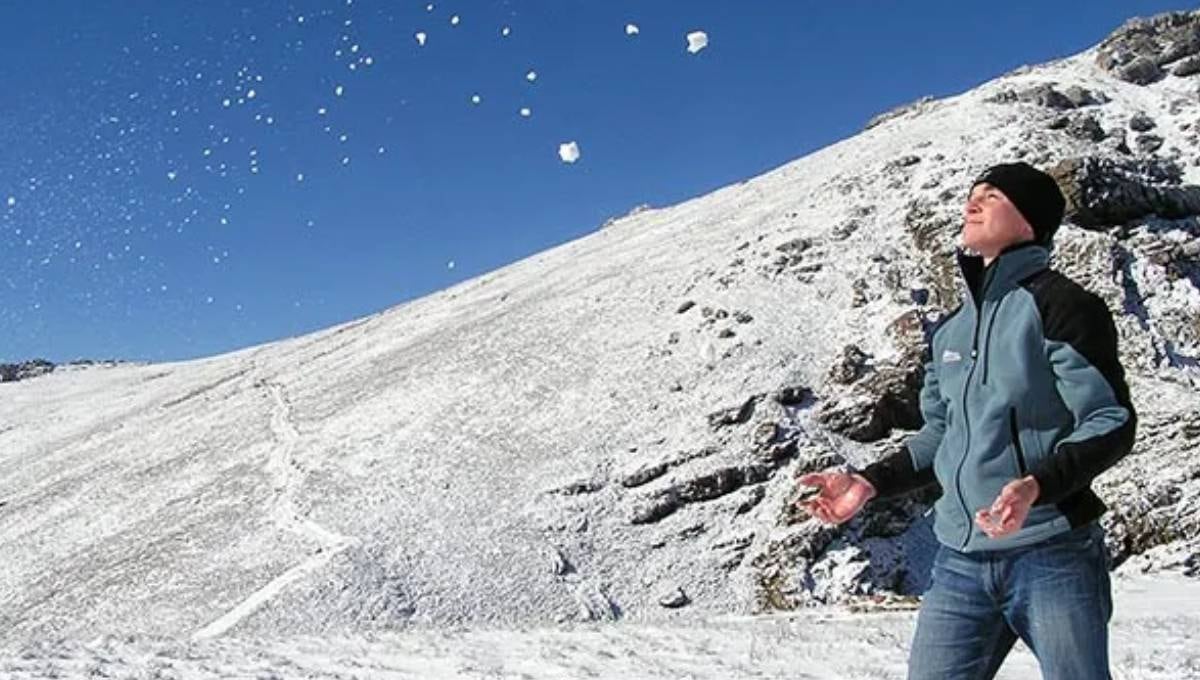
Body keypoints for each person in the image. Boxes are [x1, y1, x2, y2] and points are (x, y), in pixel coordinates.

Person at [798, 162, 1137, 680]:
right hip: (960, 558)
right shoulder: (951, 330)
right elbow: (940, 434)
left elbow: (1109, 419)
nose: (972, 203)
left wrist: (1036, 486)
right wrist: (869, 482)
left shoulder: (1063, 306)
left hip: (1052, 551)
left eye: (993, 195)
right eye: (972, 193)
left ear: (1029, 221)